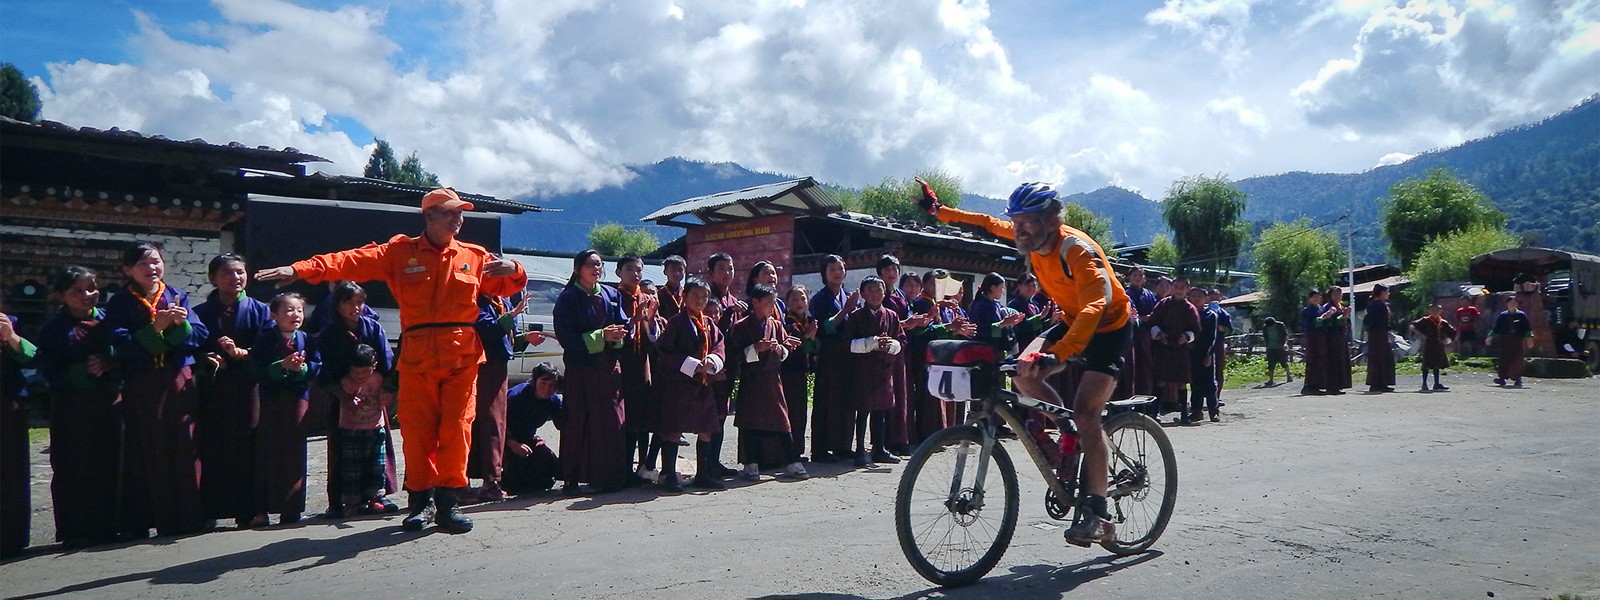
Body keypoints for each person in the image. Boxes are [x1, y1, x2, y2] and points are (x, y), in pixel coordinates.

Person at [256, 187, 527, 534]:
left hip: (461, 355)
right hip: (417, 355)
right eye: (450, 213)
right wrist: (299, 269)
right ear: (428, 216)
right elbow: (349, 260)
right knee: (417, 431)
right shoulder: (400, 252)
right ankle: (419, 503)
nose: (458, 219)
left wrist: (515, 267)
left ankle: (447, 503)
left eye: (461, 213)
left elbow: (509, 285)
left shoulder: (474, 255)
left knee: (456, 429)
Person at [922, 179, 1132, 546]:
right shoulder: (1030, 240)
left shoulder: (1078, 251)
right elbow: (988, 222)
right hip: (1070, 320)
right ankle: (1065, 426)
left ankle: (1097, 511)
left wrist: (1058, 354)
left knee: (1087, 413)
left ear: (1050, 220)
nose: (1017, 229)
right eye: (1015, 220)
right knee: (1022, 370)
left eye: (1027, 221)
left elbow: (1095, 306)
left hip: (1108, 327)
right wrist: (941, 212)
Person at [105, 242, 208, 537]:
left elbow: (199, 333)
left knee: (183, 444)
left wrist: (180, 324)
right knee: (147, 447)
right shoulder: (121, 302)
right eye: (143, 264)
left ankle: (187, 518)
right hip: (143, 381)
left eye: (156, 262)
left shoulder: (177, 295)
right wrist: (155, 331)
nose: (152, 268)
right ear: (127, 270)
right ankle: (143, 520)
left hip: (177, 378)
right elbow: (117, 342)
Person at [35, 266, 121, 547]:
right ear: (61, 296)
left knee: (109, 462)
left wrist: (108, 363)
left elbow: (127, 353)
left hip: (108, 403)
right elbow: (47, 369)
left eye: (91, 289)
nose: (87, 295)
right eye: (77, 291)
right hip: (71, 407)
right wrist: (83, 370)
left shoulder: (110, 321)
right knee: (72, 466)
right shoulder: (53, 328)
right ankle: (74, 530)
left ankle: (108, 526)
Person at [193, 254, 274, 528]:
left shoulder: (259, 310)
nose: (235, 278)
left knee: (249, 445)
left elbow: (268, 347)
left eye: (240, 272)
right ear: (213, 278)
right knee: (211, 447)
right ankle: (210, 510)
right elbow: (192, 347)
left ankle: (249, 511)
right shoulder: (200, 313)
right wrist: (207, 358)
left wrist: (244, 353)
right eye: (227, 273)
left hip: (247, 388)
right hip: (213, 390)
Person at [315, 281, 398, 517]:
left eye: (360, 302)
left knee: (377, 450)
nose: (356, 307)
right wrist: (342, 395)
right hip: (341, 399)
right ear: (337, 305)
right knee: (343, 451)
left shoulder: (372, 328)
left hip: (373, 397)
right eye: (349, 302)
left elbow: (386, 360)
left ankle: (375, 497)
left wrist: (387, 389)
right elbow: (325, 369)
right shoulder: (330, 334)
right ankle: (339, 501)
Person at [553, 250, 630, 495]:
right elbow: (567, 338)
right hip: (581, 369)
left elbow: (623, 324)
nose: (596, 269)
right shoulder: (568, 299)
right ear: (577, 269)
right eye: (590, 265)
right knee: (579, 421)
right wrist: (601, 336)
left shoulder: (611, 294)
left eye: (599, 264)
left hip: (608, 368)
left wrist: (618, 336)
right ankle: (572, 478)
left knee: (610, 421)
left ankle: (609, 478)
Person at [250, 293, 319, 527]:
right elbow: (255, 368)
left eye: (299, 310)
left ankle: (292, 509)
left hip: (298, 400)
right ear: (274, 315)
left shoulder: (308, 340)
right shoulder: (266, 339)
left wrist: (302, 369)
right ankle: (262, 510)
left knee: (294, 454)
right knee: (267, 453)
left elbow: (317, 366)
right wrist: (280, 366)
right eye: (289, 310)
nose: (295, 315)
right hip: (270, 400)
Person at [653, 278, 727, 491]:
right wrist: (693, 365)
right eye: (696, 296)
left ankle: (703, 474)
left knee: (706, 429)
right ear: (685, 297)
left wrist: (713, 361)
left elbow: (719, 346)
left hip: (703, 384)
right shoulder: (676, 322)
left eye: (704, 297)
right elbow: (665, 352)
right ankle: (669, 476)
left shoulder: (709, 323)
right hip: (679, 383)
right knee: (674, 429)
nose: (700, 301)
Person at [730, 284, 807, 480]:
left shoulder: (776, 325)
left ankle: (792, 461)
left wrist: (779, 349)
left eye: (774, 303)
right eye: (768, 303)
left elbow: (785, 350)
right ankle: (751, 464)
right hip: (752, 380)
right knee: (751, 422)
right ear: (755, 303)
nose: (772, 307)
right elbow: (735, 355)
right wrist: (756, 348)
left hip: (773, 380)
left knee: (782, 420)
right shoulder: (741, 326)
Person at [467, 289, 527, 503]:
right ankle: (477, 480)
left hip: (499, 366)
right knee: (485, 422)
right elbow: (487, 330)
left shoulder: (502, 301)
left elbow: (507, 338)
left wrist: (524, 338)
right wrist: (511, 316)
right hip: (482, 366)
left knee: (496, 423)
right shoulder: (476, 299)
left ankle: (491, 480)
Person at [328, 344, 397, 517]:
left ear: (374, 366)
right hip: (352, 429)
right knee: (352, 468)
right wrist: (350, 401)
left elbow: (387, 399)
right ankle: (351, 502)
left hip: (376, 428)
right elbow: (343, 398)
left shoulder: (379, 380)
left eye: (365, 371)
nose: (360, 376)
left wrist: (386, 399)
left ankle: (376, 498)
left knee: (377, 466)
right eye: (356, 372)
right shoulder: (346, 382)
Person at [846, 276, 906, 468]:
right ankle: (860, 451)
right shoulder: (855, 317)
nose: (875, 294)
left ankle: (879, 448)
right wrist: (870, 343)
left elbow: (902, 340)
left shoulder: (891, 316)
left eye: (879, 290)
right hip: (863, 369)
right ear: (862, 294)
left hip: (883, 368)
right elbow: (847, 344)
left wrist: (891, 345)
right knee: (863, 410)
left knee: (881, 410)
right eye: (870, 290)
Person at [616, 256, 663, 483]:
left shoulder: (647, 298)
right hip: (621, 364)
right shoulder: (614, 297)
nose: (635, 274)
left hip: (642, 364)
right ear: (618, 272)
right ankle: (623, 469)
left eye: (639, 270)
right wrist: (634, 320)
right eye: (629, 269)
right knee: (625, 420)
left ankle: (644, 466)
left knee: (643, 417)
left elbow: (653, 335)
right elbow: (615, 330)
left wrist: (651, 320)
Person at [808, 255, 860, 463]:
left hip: (846, 354)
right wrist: (846, 310)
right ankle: (819, 449)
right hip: (828, 354)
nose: (837, 273)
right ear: (824, 274)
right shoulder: (820, 299)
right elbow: (824, 327)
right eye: (832, 269)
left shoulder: (846, 295)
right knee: (825, 401)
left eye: (840, 268)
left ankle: (842, 445)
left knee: (845, 400)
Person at [704, 253, 747, 480]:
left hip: (729, 366)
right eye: (721, 268)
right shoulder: (707, 298)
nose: (726, 272)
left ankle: (715, 461)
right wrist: (729, 313)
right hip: (710, 368)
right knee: (709, 416)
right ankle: (705, 466)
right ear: (711, 272)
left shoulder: (732, 299)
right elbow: (710, 333)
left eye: (730, 268)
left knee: (721, 414)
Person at [1, 306, 37, 558]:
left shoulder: (11, 322)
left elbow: (32, 357)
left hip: (7, 404)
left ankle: (11, 538)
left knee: (10, 471)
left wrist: (11, 337)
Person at [502, 364, 565, 495]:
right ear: (534, 381)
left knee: (547, 459)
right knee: (513, 479)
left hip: (527, 438)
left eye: (552, 385)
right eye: (544, 383)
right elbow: (499, 425)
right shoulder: (516, 397)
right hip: (503, 440)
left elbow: (563, 425)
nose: (548, 389)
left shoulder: (553, 400)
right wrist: (513, 444)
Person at [1148, 278, 1199, 418]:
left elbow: (1196, 330)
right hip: (1164, 348)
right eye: (1176, 286)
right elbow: (1152, 322)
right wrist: (1159, 334)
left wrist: (1187, 337)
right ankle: (1155, 412)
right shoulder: (1163, 304)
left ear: (1187, 289)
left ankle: (1184, 413)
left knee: (1182, 382)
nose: (1179, 290)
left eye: (1182, 287)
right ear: (1172, 288)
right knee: (1161, 381)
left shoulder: (1190, 308)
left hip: (1181, 349)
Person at [781, 286, 818, 457]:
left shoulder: (809, 321)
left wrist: (812, 340)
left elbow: (817, 347)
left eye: (802, 299)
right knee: (792, 413)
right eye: (794, 300)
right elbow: (795, 348)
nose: (799, 303)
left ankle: (798, 450)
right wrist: (807, 339)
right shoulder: (787, 323)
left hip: (802, 373)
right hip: (789, 373)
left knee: (801, 413)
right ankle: (789, 452)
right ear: (787, 303)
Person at [970, 272, 1026, 352]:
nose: (1003, 291)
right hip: (983, 349)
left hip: (996, 349)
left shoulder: (996, 304)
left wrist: (1011, 321)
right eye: (1001, 288)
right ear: (993, 288)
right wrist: (1003, 324)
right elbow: (981, 330)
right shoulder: (980, 306)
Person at [1124, 268, 1158, 396]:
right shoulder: (1126, 294)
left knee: (1146, 367)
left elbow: (1155, 312)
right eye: (1134, 275)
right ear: (1129, 277)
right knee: (1131, 368)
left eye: (1140, 275)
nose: (1137, 277)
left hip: (1146, 336)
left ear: (1144, 279)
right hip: (1131, 336)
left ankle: (1146, 397)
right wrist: (1141, 318)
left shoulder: (1149, 295)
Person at [1409, 304, 1457, 392]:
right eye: (1433, 310)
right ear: (1429, 311)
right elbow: (1412, 326)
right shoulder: (1425, 320)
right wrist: (1420, 335)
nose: (1435, 312)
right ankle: (1424, 384)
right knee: (1426, 364)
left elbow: (1453, 332)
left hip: (1438, 345)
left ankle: (1436, 383)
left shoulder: (1442, 322)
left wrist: (1448, 340)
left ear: (1441, 311)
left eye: (1437, 310)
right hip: (1428, 344)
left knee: (1437, 364)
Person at [1489, 296, 1534, 388]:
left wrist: (1529, 339)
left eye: (1514, 303)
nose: (1512, 305)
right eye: (1510, 303)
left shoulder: (1521, 315)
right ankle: (1502, 378)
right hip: (1505, 340)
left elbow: (1527, 329)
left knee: (1518, 359)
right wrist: (1490, 337)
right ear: (1507, 304)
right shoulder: (1503, 315)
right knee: (1504, 359)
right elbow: (1496, 328)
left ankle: (1518, 379)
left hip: (1517, 340)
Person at [1319, 287, 1354, 395]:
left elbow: (1345, 321)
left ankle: (1339, 384)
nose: (1338, 296)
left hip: (1341, 337)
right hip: (1331, 337)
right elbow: (1328, 322)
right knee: (1333, 360)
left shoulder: (1341, 306)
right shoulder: (1328, 307)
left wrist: (1345, 316)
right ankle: (1331, 386)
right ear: (1330, 295)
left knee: (1341, 360)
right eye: (1335, 294)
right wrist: (1342, 317)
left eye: (1340, 294)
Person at [1363, 284, 1397, 393]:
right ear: (1382, 293)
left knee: (1384, 358)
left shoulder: (1380, 305)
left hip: (1381, 334)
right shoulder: (1375, 305)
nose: (1388, 294)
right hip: (1377, 335)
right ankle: (1376, 383)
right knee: (1378, 359)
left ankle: (1382, 382)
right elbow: (1369, 321)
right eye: (1387, 292)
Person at [1299, 289, 1327, 395]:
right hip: (1311, 337)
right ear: (1309, 299)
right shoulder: (1307, 310)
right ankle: (1309, 385)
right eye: (1313, 297)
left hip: (1321, 337)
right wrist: (1321, 319)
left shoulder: (1321, 309)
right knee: (1313, 360)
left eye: (1318, 296)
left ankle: (1319, 385)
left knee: (1320, 360)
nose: (1316, 298)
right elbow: (1307, 325)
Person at [1207, 289, 1232, 402]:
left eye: (1216, 297)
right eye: (1211, 296)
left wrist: (1221, 328)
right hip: (1204, 344)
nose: (1214, 299)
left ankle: (1217, 397)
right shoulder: (1203, 311)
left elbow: (1229, 329)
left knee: (1218, 370)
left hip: (1218, 344)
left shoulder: (1224, 313)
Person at [1259, 316, 1291, 386]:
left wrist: (1285, 344)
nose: (1270, 328)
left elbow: (1285, 335)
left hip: (1280, 346)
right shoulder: (1265, 327)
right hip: (1270, 347)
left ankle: (1288, 375)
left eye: (1272, 326)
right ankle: (1271, 380)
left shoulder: (1280, 325)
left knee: (1283, 362)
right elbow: (1265, 337)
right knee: (1271, 364)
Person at [657, 255, 687, 320]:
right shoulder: (660, 294)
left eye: (680, 270)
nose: (677, 273)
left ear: (684, 272)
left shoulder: (687, 293)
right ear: (665, 272)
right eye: (673, 270)